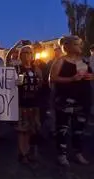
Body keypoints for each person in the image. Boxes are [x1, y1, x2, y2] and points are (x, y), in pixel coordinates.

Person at [50, 36, 93, 166]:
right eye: (76, 44)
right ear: (67, 46)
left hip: (82, 100)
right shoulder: (61, 61)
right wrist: (71, 79)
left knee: (79, 128)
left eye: (80, 43)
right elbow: (52, 78)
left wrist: (90, 76)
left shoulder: (83, 61)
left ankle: (78, 152)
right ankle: (61, 155)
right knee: (62, 128)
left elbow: (88, 75)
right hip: (65, 100)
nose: (80, 46)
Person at [16, 46, 42, 164]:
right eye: (25, 52)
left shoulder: (36, 69)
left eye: (30, 52)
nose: (28, 55)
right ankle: (22, 154)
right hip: (22, 103)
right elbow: (15, 84)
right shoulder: (17, 69)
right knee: (22, 130)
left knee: (31, 129)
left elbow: (40, 85)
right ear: (20, 55)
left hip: (34, 103)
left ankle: (28, 152)